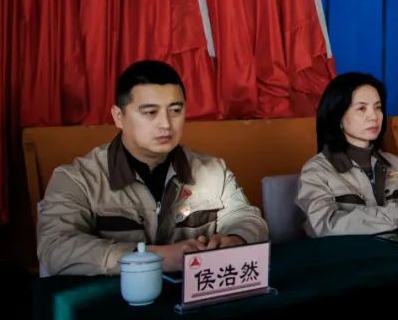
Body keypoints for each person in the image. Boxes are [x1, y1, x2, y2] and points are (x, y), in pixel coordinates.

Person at [37, 60, 268, 276]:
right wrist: (152, 258)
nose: (166, 124)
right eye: (150, 112)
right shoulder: (78, 178)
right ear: (118, 116)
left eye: (175, 110)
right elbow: (55, 247)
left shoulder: (213, 171)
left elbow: (247, 218)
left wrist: (236, 240)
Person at [297, 73, 398, 236]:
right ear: (337, 116)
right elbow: (325, 224)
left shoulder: (394, 163)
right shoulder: (317, 170)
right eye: (361, 108)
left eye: (378, 107)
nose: (374, 116)